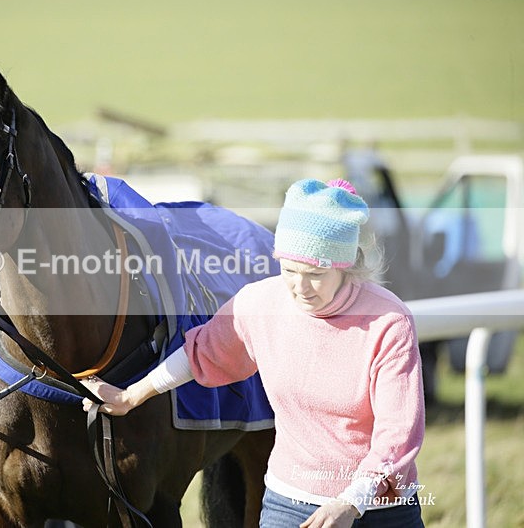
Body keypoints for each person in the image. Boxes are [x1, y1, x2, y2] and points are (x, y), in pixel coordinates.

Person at [81, 178, 426, 527]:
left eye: (316, 274)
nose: (299, 287)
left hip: (378, 509)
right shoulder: (261, 302)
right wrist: (130, 396)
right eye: (289, 269)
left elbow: (398, 433)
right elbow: (202, 353)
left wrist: (350, 504)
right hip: (288, 504)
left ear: (345, 266)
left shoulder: (388, 321)